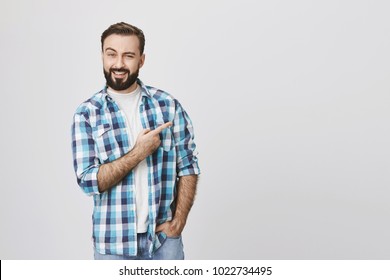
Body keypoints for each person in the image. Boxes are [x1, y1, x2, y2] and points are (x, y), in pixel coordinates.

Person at [71, 22, 200, 260]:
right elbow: (88, 181)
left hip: (163, 244)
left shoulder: (168, 106)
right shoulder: (87, 113)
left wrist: (179, 221)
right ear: (102, 56)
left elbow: (188, 166)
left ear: (141, 60)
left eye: (128, 55)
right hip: (112, 246)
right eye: (111, 54)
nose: (118, 64)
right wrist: (139, 153)